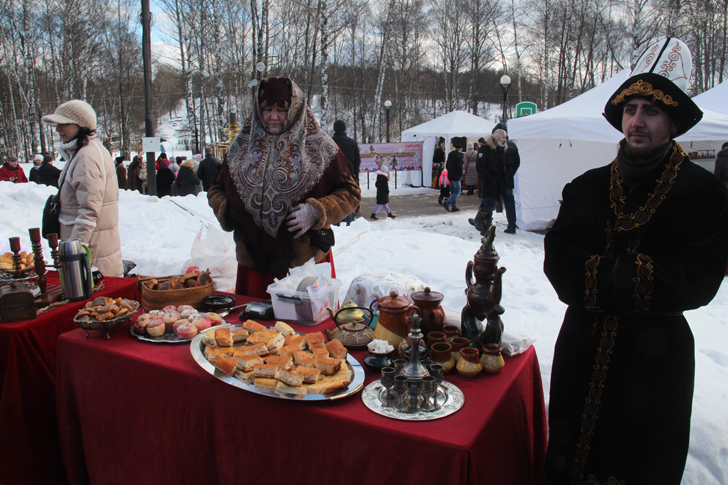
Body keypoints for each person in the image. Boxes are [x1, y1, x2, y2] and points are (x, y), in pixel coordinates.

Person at [542, 38, 728, 485]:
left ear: (674, 122)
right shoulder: (584, 187)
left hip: (654, 364)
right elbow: (559, 263)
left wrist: (615, 274)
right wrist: (622, 275)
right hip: (580, 349)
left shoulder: (704, 195)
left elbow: (697, 279)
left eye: (651, 111)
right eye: (631, 110)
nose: (637, 121)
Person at [207, 76, 360, 298]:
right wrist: (227, 209)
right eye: (267, 109)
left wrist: (317, 210)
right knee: (254, 327)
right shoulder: (241, 146)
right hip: (254, 259)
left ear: (295, 108)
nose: (273, 117)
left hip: (303, 263)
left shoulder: (320, 145)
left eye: (281, 109)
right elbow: (215, 189)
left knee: (304, 328)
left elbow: (351, 192)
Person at [41, 99, 123, 277]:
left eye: (64, 124)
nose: (58, 129)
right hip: (94, 248)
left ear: (81, 125)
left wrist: (74, 251)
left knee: (94, 302)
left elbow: (89, 210)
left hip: (91, 253)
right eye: (57, 124)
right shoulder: (87, 150)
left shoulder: (86, 156)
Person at [469, 128, 517, 234]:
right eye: (503, 137)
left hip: (500, 182)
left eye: (505, 137)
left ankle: (481, 222)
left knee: (491, 203)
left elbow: (503, 166)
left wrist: (505, 176)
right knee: (491, 202)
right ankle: (482, 224)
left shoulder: (500, 149)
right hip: (489, 182)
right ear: (496, 137)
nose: (505, 139)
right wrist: (490, 179)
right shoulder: (486, 149)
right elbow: (481, 167)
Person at [332, 120, 361, 225]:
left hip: (333, 176)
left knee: (334, 200)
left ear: (334, 129)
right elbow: (357, 162)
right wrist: (355, 177)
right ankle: (350, 224)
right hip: (349, 175)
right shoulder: (352, 143)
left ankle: (336, 223)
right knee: (349, 199)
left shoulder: (330, 142)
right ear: (344, 129)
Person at [370, 155, 396, 220]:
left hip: (379, 194)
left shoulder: (379, 177)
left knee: (385, 205)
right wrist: (387, 192)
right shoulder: (384, 179)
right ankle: (373, 215)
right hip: (383, 194)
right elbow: (386, 187)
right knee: (380, 205)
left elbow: (376, 185)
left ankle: (389, 214)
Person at [443, 139, 464, 212]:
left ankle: (454, 206)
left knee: (453, 192)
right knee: (457, 191)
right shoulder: (458, 157)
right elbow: (459, 167)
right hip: (456, 177)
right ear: (460, 149)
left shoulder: (450, 155)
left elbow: (447, 165)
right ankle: (447, 202)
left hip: (450, 175)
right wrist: (460, 174)